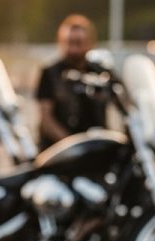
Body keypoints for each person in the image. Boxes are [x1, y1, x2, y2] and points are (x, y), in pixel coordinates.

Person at [35, 14, 110, 151]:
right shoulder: (50, 73)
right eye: (70, 42)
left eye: (79, 42)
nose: (74, 49)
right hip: (58, 152)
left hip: (97, 150)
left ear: (90, 43)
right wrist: (71, 145)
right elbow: (46, 118)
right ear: (61, 42)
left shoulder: (102, 73)